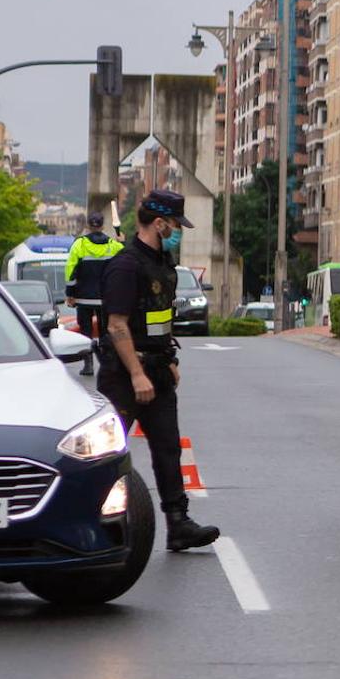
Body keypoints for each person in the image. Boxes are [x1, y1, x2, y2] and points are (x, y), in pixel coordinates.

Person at [98, 189, 220, 552]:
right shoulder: (126, 265)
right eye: (175, 225)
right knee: (108, 452)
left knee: (168, 448)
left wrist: (168, 360)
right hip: (124, 374)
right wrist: (137, 374)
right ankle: (97, 521)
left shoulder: (163, 262)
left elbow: (160, 320)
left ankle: (178, 524)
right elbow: (117, 325)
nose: (178, 232)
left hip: (158, 368)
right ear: (159, 222)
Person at [64, 212, 124, 376]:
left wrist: (70, 293)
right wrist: (123, 241)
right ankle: (106, 364)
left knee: (85, 332)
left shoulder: (79, 245)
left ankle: (88, 364)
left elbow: (70, 270)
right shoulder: (113, 245)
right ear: (103, 226)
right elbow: (126, 260)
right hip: (106, 298)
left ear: (89, 226)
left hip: (83, 298)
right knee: (105, 332)